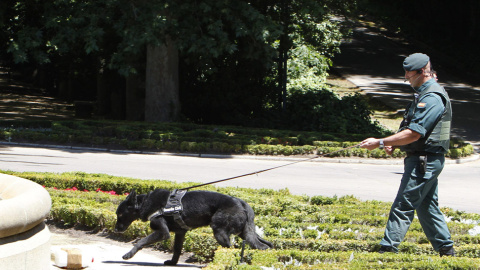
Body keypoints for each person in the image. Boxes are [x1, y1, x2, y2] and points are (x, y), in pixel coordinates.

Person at [359, 53, 455, 257]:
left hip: (424, 160)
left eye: (409, 75)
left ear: (422, 72)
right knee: (427, 207)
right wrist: (394, 143)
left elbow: (414, 133)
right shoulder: (424, 94)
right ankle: (446, 250)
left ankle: (387, 250)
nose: (407, 79)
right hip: (423, 158)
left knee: (403, 204)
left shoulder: (432, 98)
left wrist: (381, 142)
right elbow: (410, 131)